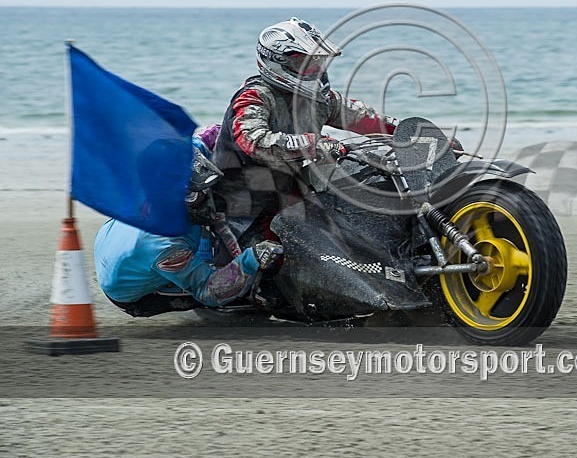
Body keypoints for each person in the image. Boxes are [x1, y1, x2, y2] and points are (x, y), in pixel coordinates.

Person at [212, 17, 400, 221]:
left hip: (291, 196)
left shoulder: (320, 99)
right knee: (272, 251)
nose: (314, 69)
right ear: (277, 62)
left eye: (316, 62)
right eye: (304, 63)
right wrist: (315, 145)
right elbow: (255, 141)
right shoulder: (254, 97)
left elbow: (362, 118)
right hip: (241, 206)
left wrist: (406, 130)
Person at [94, 129, 283, 317]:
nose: (205, 193)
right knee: (232, 295)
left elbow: (210, 135)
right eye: (195, 193)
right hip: (129, 291)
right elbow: (209, 290)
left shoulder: (164, 168)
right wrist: (252, 259)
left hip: (116, 239)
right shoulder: (164, 246)